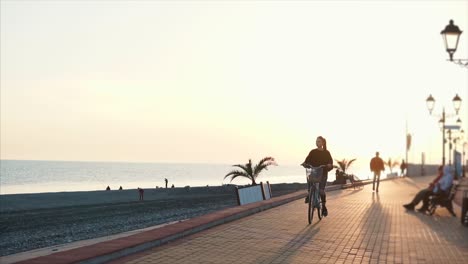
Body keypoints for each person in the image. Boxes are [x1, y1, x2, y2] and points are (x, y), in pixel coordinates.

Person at [301, 136, 333, 217]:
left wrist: (329, 165)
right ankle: (310, 193)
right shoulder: (313, 152)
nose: (317, 143)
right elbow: (307, 159)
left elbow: (330, 161)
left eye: (319, 141)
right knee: (309, 180)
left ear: (322, 143)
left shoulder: (326, 153)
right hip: (314, 172)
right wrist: (305, 163)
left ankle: (324, 207)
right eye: (316, 141)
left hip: (323, 173)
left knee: (321, 190)